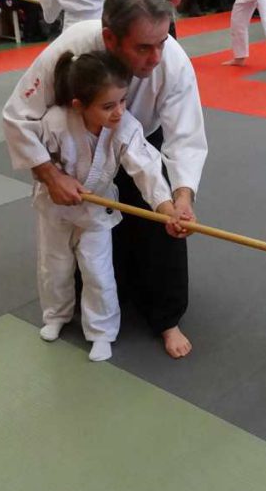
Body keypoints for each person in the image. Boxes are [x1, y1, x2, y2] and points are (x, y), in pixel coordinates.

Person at [3, 0, 206, 359]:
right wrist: (51, 176)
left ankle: (167, 319)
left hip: (140, 139)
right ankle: (90, 305)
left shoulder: (173, 62)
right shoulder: (71, 48)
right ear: (110, 38)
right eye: (143, 48)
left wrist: (180, 198)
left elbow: (186, 138)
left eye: (162, 42)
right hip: (76, 151)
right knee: (84, 251)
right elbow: (18, 116)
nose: (156, 57)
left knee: (160, 227)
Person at [31, 51, 178, 362]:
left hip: (96, 210)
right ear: (79, 106)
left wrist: (166, 208)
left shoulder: (125, 127)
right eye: (108, 106)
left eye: (123, 101)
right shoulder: (55, 122)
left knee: (98, 270)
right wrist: (54, 178)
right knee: (55, 265)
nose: (119, 111)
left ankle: (101, 332)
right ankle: (56, 315)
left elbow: (146, 167)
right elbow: (37, 159)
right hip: (55, 207)